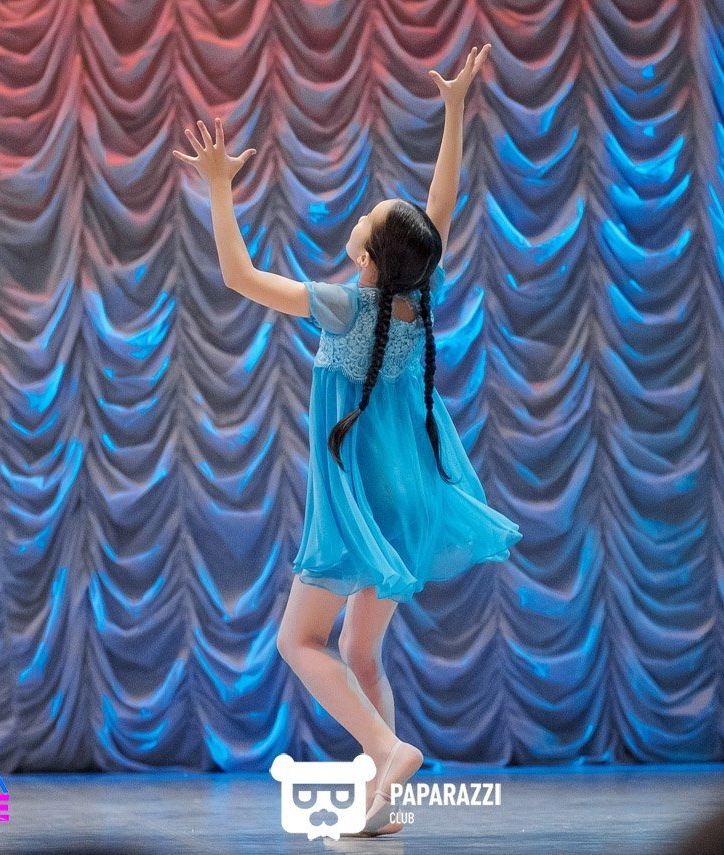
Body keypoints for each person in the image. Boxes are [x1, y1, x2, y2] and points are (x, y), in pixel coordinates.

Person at [173, 43, 519, 837]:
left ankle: (388, 749)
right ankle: (379, 802)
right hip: (411, 497)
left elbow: (238, 277)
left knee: (299, 640)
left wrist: (220, 188)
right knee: (361, 654)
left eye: (370, 217)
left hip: (363, 500)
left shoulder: (346, 304)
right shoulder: (417, 291)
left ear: (366, 255)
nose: (366, 212)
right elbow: (443, 199)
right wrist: (455, 109)